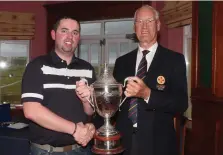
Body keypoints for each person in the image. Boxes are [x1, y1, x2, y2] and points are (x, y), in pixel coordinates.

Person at [113, 5, 188, 155]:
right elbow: (115, 103)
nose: (144, 26)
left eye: (149, 21)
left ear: (158, 25)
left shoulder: (175, 60)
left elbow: (181, 103)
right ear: (135, 27)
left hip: (158, 143)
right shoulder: (122, 62)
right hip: (124, 140)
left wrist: (148, 94)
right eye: (140, 22)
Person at [22, 17, 96, 155]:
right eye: (64, 31)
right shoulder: (37, 66)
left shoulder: (88, 68)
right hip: (46, 151)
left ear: (79, 37)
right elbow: (31, 111)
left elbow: (90, 112)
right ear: (53, 35)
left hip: (82, 150)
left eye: (75, 32)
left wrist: (86, 100)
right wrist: (74, 129)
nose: (70, 37)